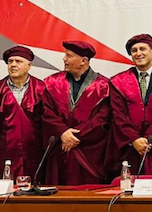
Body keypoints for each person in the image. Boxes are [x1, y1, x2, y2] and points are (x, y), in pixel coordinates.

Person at [41, 41, 114, 185]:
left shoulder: (104, 86)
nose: (64, 59)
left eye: (69, 55)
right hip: (59, 148)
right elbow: (46, 112)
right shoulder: (52, 83)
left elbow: (103, 119)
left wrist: (75, 136)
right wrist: (62, 132)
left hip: (90, 153)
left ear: (84, 61)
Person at [110, 34, 152, 176]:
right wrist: (134, 139)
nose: (138, 53)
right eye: (134, 50)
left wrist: (151, 138)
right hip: (130, 149)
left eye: (143, 49)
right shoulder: (118, 81)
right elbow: (118, 114)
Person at [0, 45, 45, 179]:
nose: (13, 65)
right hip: (5, 150)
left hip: (35, 150)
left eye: (18, 61)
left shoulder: (42, 88)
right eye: (10, 61)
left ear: (29, 65)